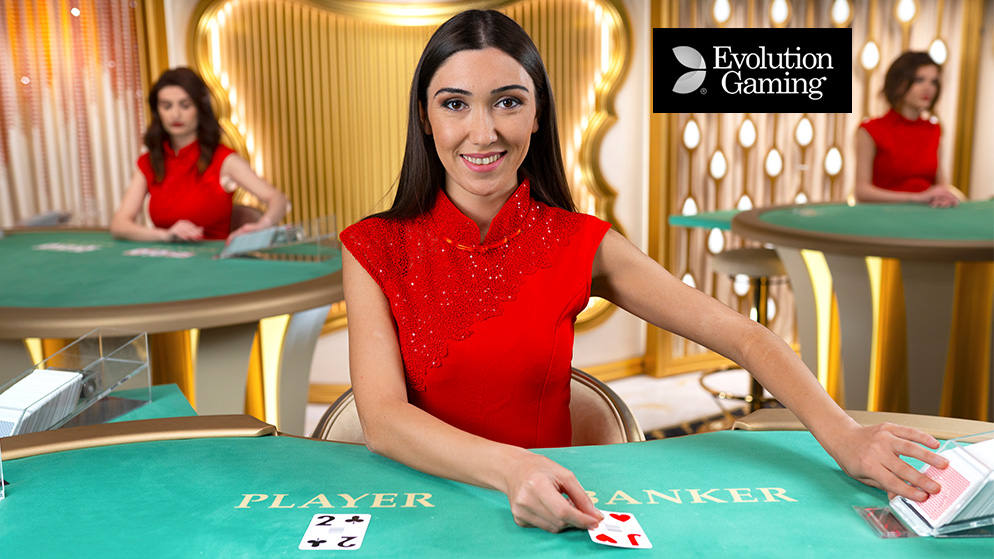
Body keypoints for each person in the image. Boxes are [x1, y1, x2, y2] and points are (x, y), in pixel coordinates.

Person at [340, 11, 949, 534]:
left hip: (549, 512)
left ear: (536, 116)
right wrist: (510, 468)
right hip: (417, 508)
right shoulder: (372, 246)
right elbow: (385, 421)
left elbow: (743, 335)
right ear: (425, 118)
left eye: (508, 102)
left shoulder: (581, 241)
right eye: (455, 104)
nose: (484, 131)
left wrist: (846, 436)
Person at [111, 67, 287, 242]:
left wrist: (263, 225)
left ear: (200, 108)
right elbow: (119, 224)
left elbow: (278, 199)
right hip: (165, 260)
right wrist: (165, 235)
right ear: (157, 112)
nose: (175, 114)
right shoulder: (150, 161)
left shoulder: (223, 159)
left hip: (214, 262)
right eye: (166, 106)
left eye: (185, 105)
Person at [855, 52, 964, 207]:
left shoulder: (934, 130)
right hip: (884, 217)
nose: (928, 88)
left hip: (928, 215)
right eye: (919, 80)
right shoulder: (870, 130)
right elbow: (862, 192)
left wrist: (943, 196)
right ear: (898, 83)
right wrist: (918, 197)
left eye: (934, 82)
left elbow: (941, 184)